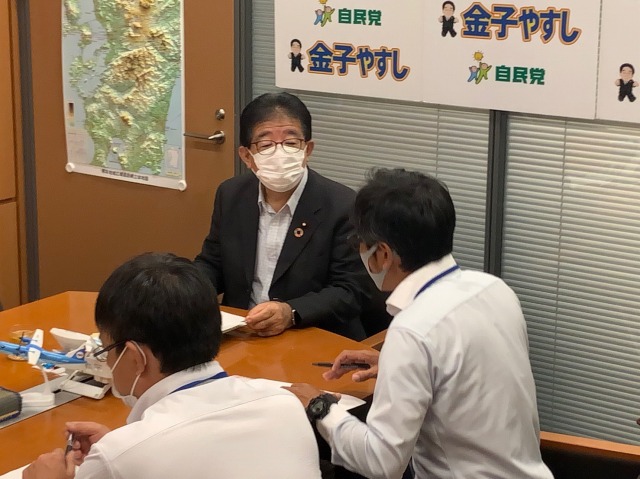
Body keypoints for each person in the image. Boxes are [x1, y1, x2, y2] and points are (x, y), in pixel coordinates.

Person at [286, 169, 554, 479]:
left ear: (382, 254)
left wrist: (320, 408)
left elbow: (381, 463)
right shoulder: (494, 289)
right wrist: (396, 364)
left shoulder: (413, 330)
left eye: (359, 243)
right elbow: (471, 375)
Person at [23, 253, 321, 479]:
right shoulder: (284, 405)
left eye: (107, 349)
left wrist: (119, 452)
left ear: (136, 357)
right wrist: (123, 444)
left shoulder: (120, 458)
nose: (108, 361)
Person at [194, 92, 372, 340]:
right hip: (242, 331)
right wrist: (184, 291)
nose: (280, 153)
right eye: (266, 145)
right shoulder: (231, 194)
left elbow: (351, 290)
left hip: (311, 334)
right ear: (247, 156)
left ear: (307, 149)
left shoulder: (343, 205)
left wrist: (291, 312)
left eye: (291, 142)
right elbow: (213, 263)